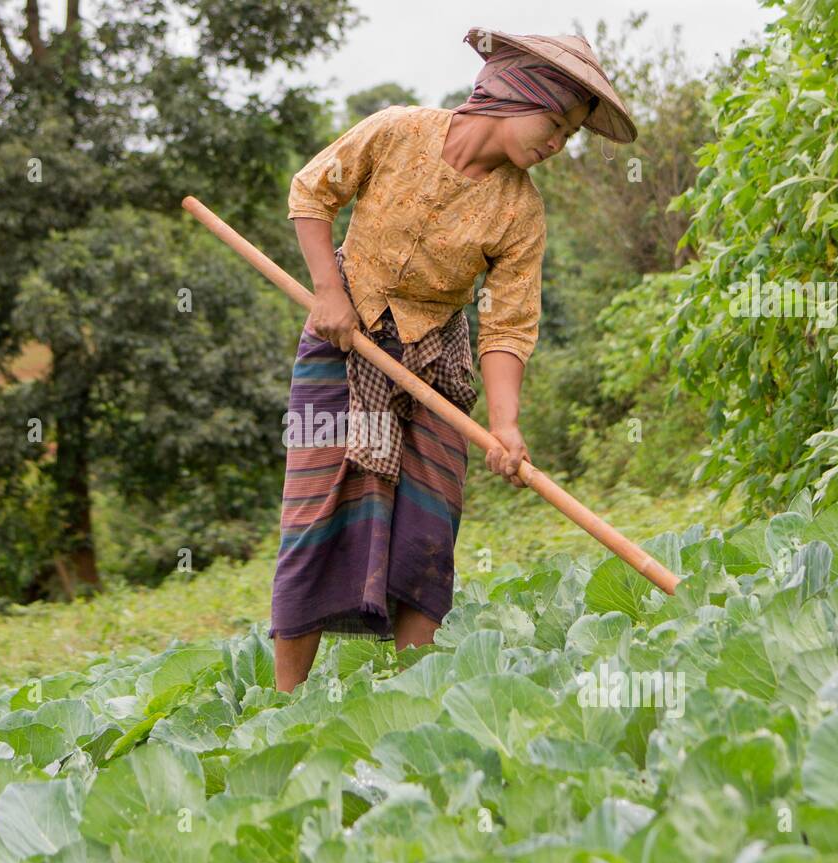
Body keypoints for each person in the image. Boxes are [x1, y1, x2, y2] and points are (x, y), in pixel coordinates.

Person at [271, 28, 637, 692]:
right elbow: (311, 192)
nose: (556, 144)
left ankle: (415, 692)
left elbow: (508, 323)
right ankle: (282, 702)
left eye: (569, 135)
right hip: (343, 339)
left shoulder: (521, 211)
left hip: (437, 360)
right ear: (511, 93)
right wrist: (329, 290)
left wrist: (506, 425)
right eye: (554, 123)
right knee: (315, 517)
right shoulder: (396, 132)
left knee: (427, 529)